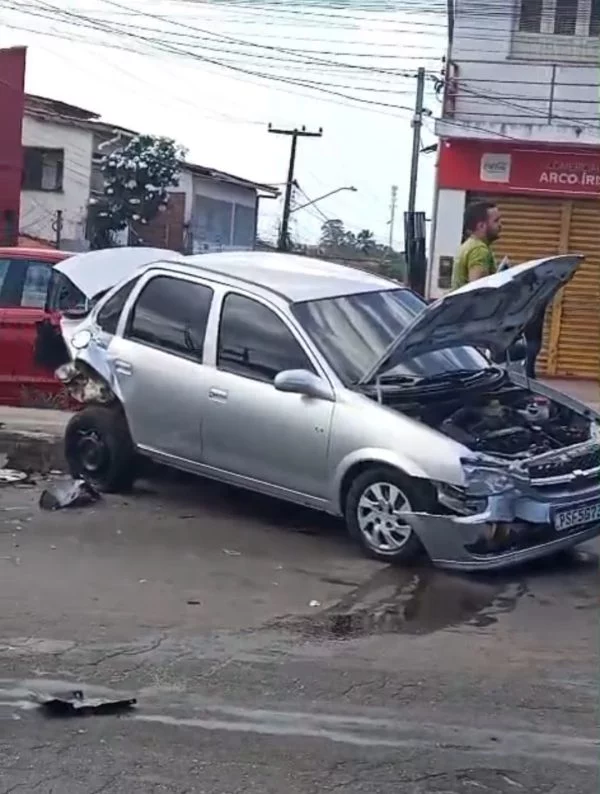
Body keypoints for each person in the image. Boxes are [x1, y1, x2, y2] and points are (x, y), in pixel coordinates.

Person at [451, 200, 502, 289]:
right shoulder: (479, 250)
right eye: (496, 221)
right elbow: (478, 290)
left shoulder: (468, 245)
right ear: (481, 226)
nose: (500, 225)